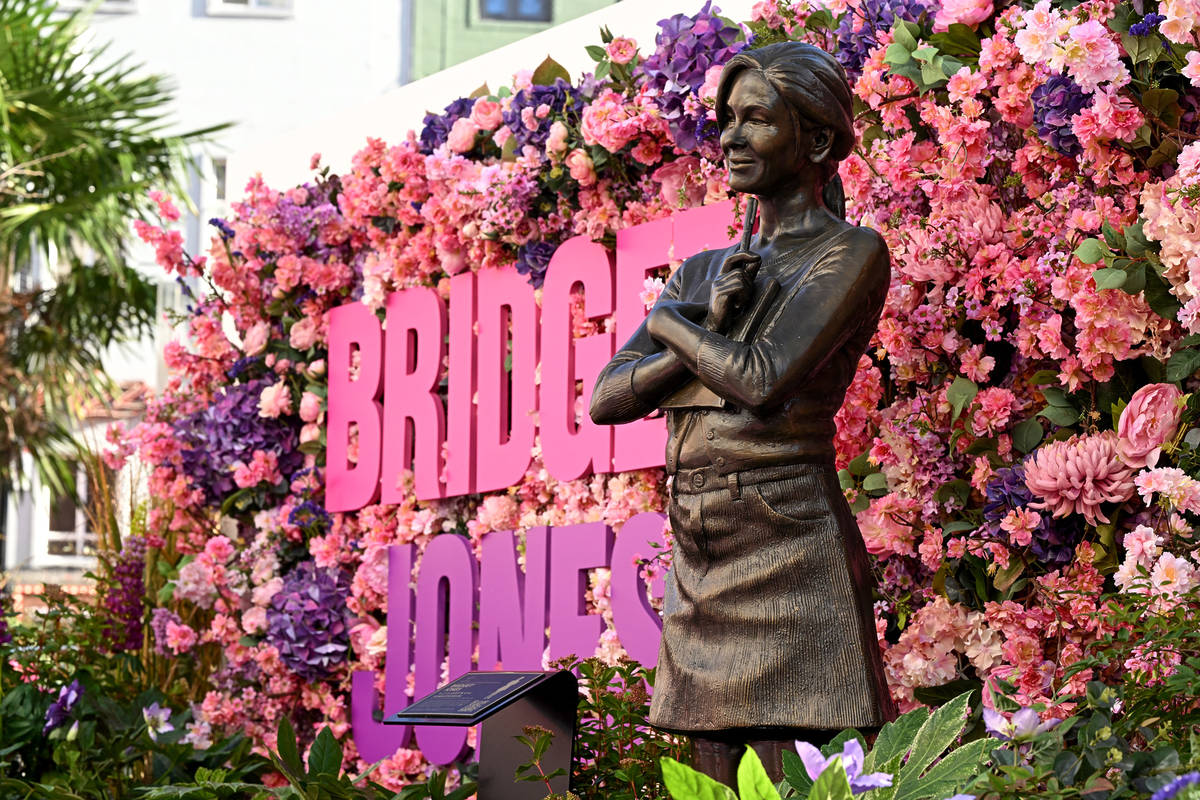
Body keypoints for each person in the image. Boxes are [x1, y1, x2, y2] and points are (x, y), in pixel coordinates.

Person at [589, 41, 896, 786]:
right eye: (726, 119)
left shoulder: (849, 253)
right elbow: (607, 398)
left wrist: (671, 325)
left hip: (789, 537)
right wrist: (692, 334)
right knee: (713, 776)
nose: (728, 137)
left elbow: (761, 381)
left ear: (816, 140)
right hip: (703, 544)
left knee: (795, 774)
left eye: (755, 119)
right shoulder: (704, 270)